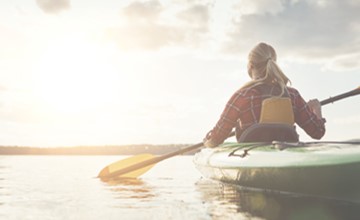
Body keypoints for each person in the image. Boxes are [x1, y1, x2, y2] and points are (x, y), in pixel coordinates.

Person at [203, 42, 326, 147]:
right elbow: (318, 132)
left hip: (251, 160)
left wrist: (207, 141)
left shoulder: (242, 96)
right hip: (285, 153)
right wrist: (316, 109)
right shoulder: (293, 95)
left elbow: (215, 139)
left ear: (250, 66)